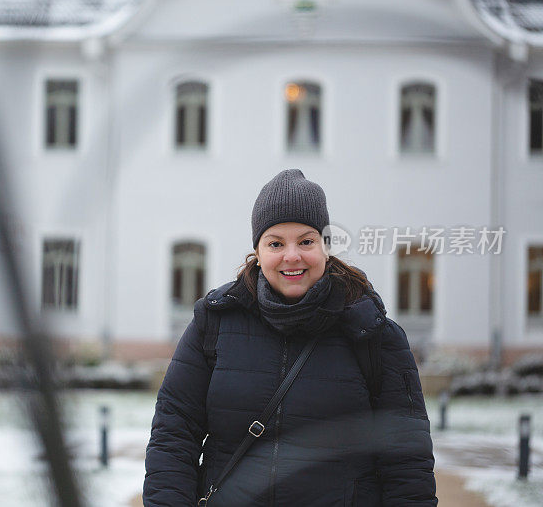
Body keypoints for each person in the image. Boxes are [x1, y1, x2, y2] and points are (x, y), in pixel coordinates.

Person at [143, 169, 437, 506]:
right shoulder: (215, 322)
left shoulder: (372, 333)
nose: (292, 256)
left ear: (325, 246)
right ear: (258, 250)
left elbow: (406, 462)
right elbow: (173, 434)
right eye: (276, 243)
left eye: (306, 241)